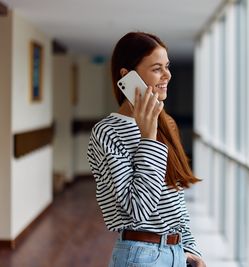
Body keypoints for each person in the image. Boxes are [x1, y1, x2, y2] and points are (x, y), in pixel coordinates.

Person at [87, 32, 206, 267]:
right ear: (127, 76)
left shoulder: (166, 123)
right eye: (157, 68)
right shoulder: (106, 132)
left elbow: (175, 199)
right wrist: (148, 138)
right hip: (140, 256)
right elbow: (137, 210)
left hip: (177, 254)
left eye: (167, 66)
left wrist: (191, 248)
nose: (167, 75)